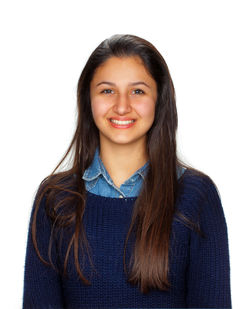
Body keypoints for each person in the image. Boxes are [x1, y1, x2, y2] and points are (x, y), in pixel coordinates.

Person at [23, 34, 232, 308]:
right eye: (107, 90)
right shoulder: (53, 199)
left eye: (138, 91)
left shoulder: (197, 196)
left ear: (159, 100)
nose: (122, 106)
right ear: (88, 100)